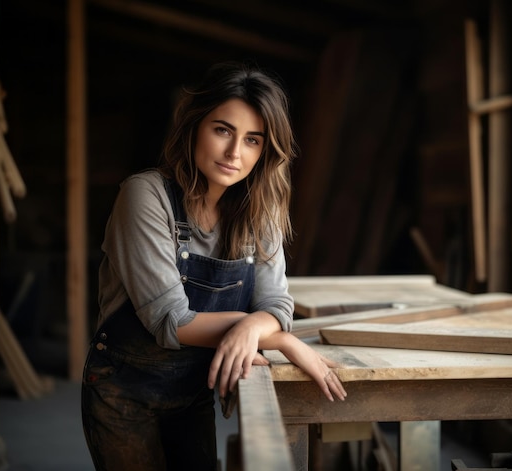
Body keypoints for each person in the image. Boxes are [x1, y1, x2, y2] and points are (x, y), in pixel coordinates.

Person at [81, 61, 347, 471]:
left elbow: (275, 303)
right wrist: (279, 340)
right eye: (222, 130)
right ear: (194, 125)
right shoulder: (145, 196)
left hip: (192, 392)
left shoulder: (261, 210)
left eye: (253, 140)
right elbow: (169, 320)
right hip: (124, 395)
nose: (234, 153)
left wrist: (252, 328)